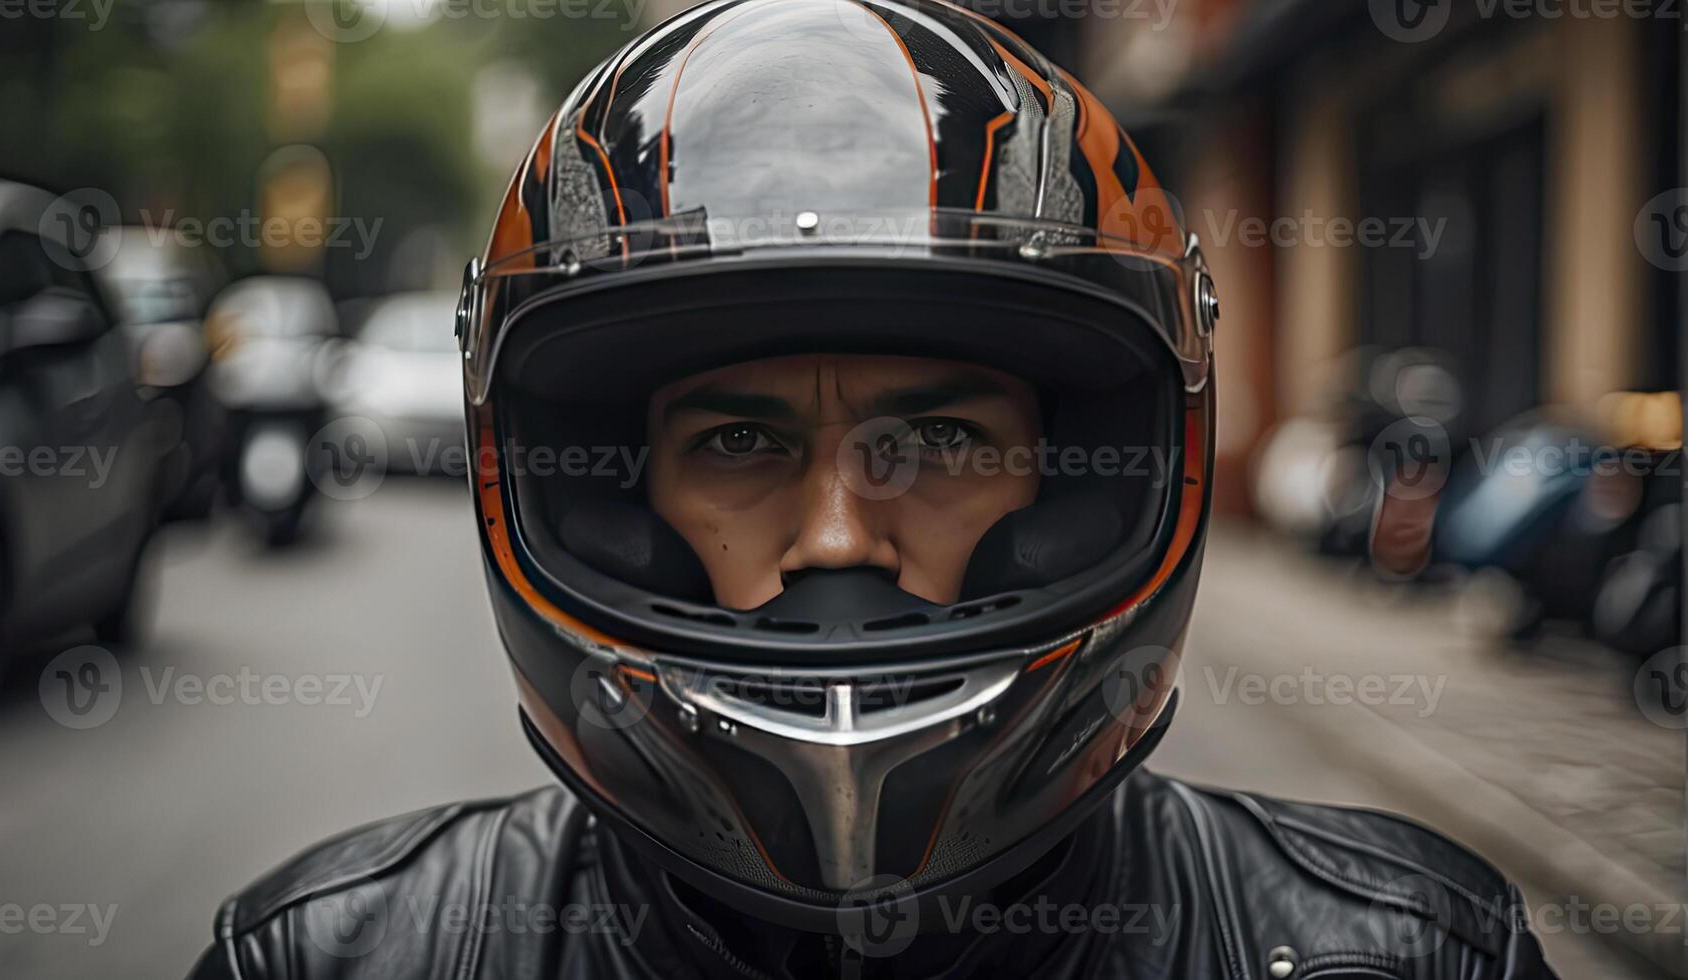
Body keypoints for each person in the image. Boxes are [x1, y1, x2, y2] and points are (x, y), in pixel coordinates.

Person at [190, 2, 1555, 976]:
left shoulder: (1402, 953)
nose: (837, 538)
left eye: (938, 442)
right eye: (737, 445)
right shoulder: (338, 955)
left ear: (1075, 471)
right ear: (615, 496)